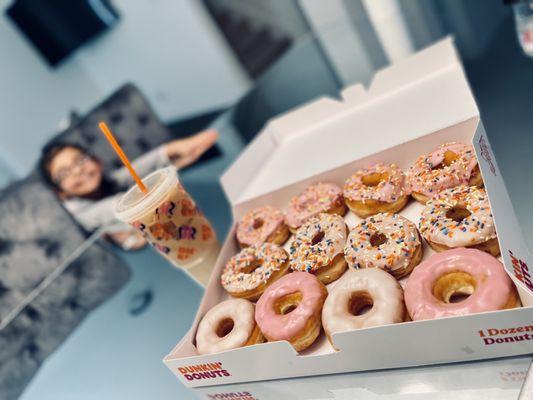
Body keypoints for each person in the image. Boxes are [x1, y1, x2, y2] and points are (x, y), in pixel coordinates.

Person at [39, 129, 218, 249]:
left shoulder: (106, 182)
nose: (78, 170)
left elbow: (135, 171)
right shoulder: (82, 215)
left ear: (97, 161)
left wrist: (173, 151)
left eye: (79, 160)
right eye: (64, 173)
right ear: (60, 192)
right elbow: (121, 205)